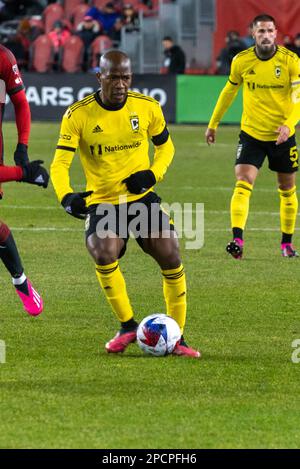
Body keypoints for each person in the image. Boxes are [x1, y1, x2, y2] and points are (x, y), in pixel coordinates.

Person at [50, 50, 200, 358]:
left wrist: (151, 174)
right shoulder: (78, 114)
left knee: (170, 252)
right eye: (114, 77)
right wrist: (66, 196)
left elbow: (166, 148)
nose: (120, 84)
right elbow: (59, 164)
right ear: (100, 77)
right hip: (103, 202)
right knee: (102, 251)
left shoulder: (147, 108)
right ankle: (128, 326)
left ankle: (178, 337)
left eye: (126, 77)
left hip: (141, 199)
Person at [205, 14, 300, 259]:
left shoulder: (291, 61)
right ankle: (237, 239)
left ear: (276, 33)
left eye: (270, 30)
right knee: (243, 182)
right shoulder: (242, 61)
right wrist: (213, 123)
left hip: (282, 135)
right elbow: (228, 92)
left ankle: (286, 244)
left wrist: (289, 125)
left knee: (287, 189)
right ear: (253, 34)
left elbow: (298, 98)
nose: (266, 35)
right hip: (252, 134)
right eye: (261, 31)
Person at [0, 43, 49, 314]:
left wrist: (23, 146)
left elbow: (20, 102)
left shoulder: (4, 59)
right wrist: (24, 174)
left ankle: (20, 281)